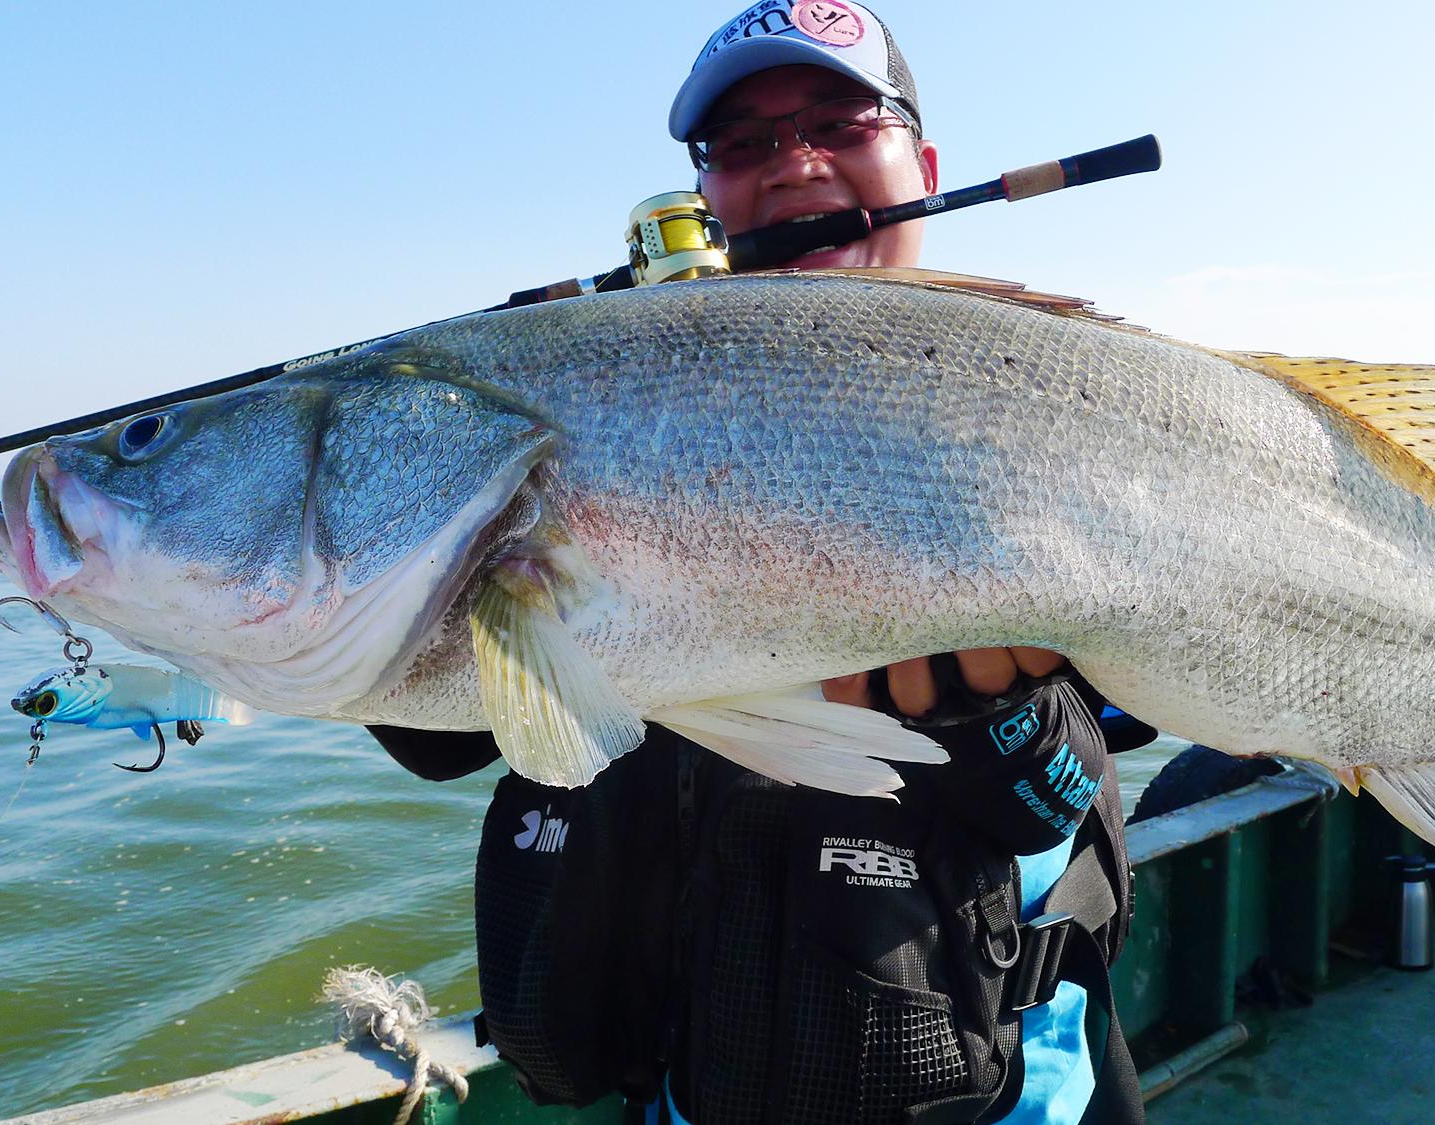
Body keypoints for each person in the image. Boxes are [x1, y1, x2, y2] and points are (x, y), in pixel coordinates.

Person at [372, 5, 1145, 1123]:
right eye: (744, 146)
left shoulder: (1044, 409)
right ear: (708, 194)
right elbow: (433, 740)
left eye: (842, 122)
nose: (792, 166)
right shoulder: (621, 410)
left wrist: (998, 716)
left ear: (920, 164)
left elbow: (1076, 791)